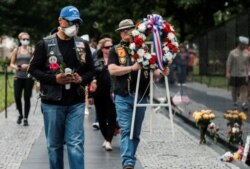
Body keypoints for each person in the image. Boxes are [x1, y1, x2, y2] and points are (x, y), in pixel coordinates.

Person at [28, 5, 94, 169]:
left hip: (76, 102)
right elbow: (33, 70)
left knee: (76, 144)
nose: (74, 26)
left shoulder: (82, 44)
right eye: (70, 22)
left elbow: (92, 70)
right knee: (54, 145)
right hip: (52, 103)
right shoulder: (45, 44)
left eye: (77, 23)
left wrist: (82, 79)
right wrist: (54, 79)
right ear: (60, 21)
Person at [108, 19, 169, 169]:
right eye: (123, 30)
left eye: (129, 29)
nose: (126, 32)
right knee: (126, 129)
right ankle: (128, 161)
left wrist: (162, 72)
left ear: (135, 32)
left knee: (135, 131)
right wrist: (131, 68)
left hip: (141, 95)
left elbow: (154, 72)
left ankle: (130, 160)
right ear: (120, 33)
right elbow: (112, 70)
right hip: (123, 94)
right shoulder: (115, 50)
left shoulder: (144, 50)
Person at [92, 37, 117, 151]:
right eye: (107, 47)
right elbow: (91, 72)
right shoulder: (96, 59)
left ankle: (108, 140)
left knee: (112, 116)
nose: (110, 49)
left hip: (112, 91)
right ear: (102, 48)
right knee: (101, 117)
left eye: (111, 46)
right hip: (99, 91)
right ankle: (106, 137)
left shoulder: (116, 59)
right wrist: (92, 81)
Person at [10, 32, 34, 126]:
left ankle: (25, 118)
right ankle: (20, 114)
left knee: (27, 98)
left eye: (27, 39)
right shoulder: (16, 50)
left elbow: (35, 62)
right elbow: (11, 63)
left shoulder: (32, 50)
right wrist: (16, 67)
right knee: (17, 96)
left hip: (28, 77)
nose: (26, 41)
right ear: (20, 40)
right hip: (18, 76)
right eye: (24, 39)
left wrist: (28, 65)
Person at [226, 36, 250, 110]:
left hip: (243, 74)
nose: (245, 46)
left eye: (246, 44)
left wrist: (247, 74)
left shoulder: (247, 53)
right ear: (240, 43)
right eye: (244, 44)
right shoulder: (232, 52)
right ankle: (235, 102)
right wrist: (227, 72)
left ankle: (244, 103)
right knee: (234, 89)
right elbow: (228, 63)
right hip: (234, 74)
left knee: (244, 89)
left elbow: (248, 64)